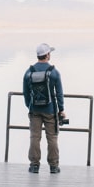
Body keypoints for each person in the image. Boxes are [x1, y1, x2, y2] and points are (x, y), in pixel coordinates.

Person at [23, 43, 66, 174]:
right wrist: (61, 109)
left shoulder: (29, 71)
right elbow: (59, 93)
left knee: (35, 137)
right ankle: (53, 166)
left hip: (34, 110)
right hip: (50, 110)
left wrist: (30, 106)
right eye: (49, 53)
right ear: (47, 55)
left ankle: (34, 165)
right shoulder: (54, 72)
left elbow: (25, 93)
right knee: (52, 137)